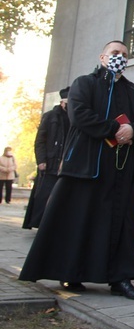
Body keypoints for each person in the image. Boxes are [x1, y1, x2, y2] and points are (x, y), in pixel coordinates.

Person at [19, 41, 134, 300]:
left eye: (125, 55)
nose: (120, 58)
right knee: (79, 221)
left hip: (121, 169)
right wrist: (115, 129)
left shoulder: (131, 91)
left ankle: (120, 278)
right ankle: (72, 273)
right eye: (115, 53)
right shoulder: (84, 83)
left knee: (118, 225)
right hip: (86, 167)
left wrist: (133, 130)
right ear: (102, 56)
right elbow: (80, 116)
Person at [23, 87, 71, 228]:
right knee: (44, 195)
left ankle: (55, 225)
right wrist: (41, 160)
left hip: (65, 165)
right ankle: (39, 223)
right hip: (49, 163)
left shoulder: (74, 118)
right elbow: (40, 141)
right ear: (63, 102)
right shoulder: (50, 116)